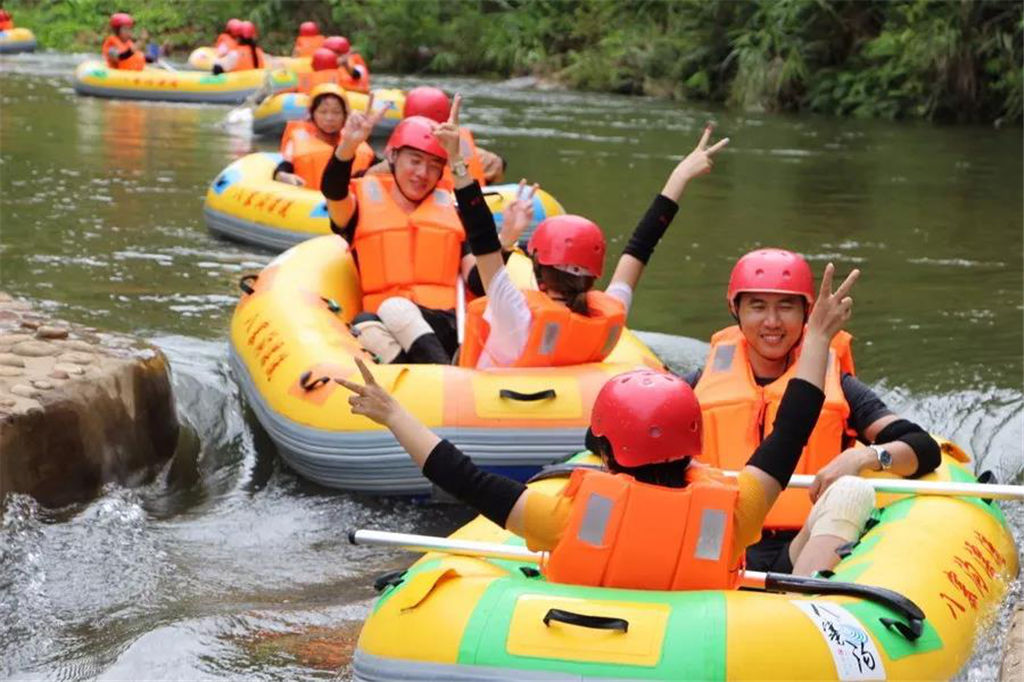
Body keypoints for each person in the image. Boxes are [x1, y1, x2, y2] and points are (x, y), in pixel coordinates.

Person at [340, 264, 868, 585]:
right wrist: (818, 336)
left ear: (607, 455)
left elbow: (461, 475)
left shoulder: (563, 517)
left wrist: (394, 414)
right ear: (693, 446)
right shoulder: (735, 514)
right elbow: (791, 429)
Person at [685, 248, 942, 573]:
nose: (772, 322)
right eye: (757, 306)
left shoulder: (840, 386)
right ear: (734, 309)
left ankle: (804, 599)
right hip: (719, 543)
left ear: (808, 312)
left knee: (852, 491)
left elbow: (922, 448)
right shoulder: (695, 386)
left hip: (802, 548)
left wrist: (863, 458)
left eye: (786, 307)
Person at [452, 118, 727, 369]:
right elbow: (641, 247)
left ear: (537, 267)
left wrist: (455, 159)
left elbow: (481, 236)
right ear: (593, 275)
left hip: (497, 401)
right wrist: (679, 177)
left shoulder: (513, 312)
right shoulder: (608, 313)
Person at [320, 99, 473, 365]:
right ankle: (422, 377)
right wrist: (349, 146)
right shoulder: (359, 206)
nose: (422, 173)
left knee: (395, 309)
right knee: (364, 326)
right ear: (392, 156)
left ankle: (441, 372)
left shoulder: (455, 212)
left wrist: (504, 243)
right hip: (386, 326)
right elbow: (333, 190)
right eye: (415, 161)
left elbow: (477, 279)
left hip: (443, 325)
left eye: (434, 166)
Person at [365, 87, 503, 186]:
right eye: (416, 161)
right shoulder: (480, 156)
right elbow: (498, 164)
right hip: (465, 201)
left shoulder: (394, 163)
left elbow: (367, 181)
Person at [275, 83, 376, 188]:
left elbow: (380, 166)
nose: (329, 118)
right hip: (308, 196)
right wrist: (283, 176)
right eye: (323, 112)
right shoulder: (297, 142)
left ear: (345, 115)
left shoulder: (356, 140)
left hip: (348, 197)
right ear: (312, 115)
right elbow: (284, 168)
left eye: (336, 112)